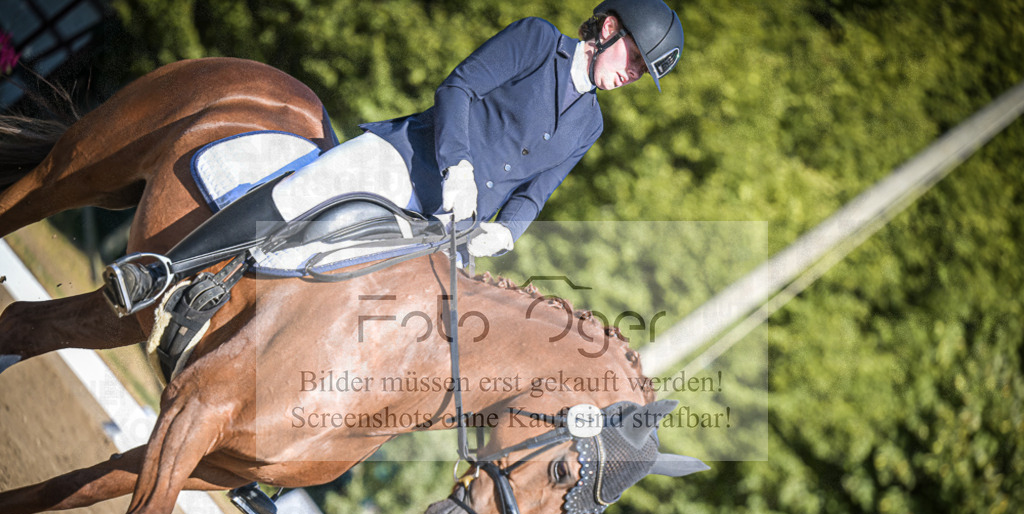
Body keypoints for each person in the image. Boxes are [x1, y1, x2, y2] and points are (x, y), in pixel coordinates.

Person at [104, 0, 684, 312]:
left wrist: (506, 232)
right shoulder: (537, 41)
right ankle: (158, 270)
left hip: (452, 227)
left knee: (418, 334)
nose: (632, 74)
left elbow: (537, 192)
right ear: (609, 28)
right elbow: (458, 88)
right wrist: (457, 166)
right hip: (410, 161)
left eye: (641, 72)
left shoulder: (590, 125)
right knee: (303, 193)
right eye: (634, 59)